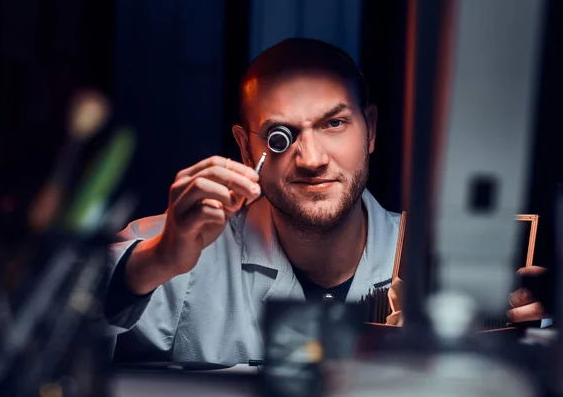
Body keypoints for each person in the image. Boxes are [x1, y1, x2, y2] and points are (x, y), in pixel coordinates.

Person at [104, 38, 547, 365]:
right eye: (282, 136)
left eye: (334, 123)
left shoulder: (438, 260)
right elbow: (49, 333)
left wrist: (521, 344)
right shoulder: (182, 247)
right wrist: (156, 261)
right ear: (244, 147)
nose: (311, 159)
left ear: (369, 129)